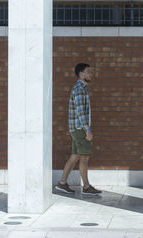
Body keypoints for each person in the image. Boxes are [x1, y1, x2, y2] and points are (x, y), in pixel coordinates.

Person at [55, 63, 102, 195]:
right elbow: (81, 112)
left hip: (75, 128)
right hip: (80, 129)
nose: (90, 74)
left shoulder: (79, 88)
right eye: (88, 72)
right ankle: (86, 187)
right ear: (81, 74)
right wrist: (87, 130)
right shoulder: (80, 89)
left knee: (75, 156)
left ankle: (62, 183)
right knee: (84, 157)